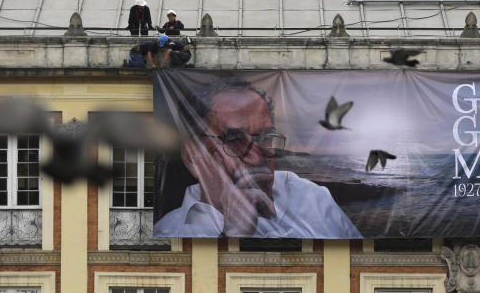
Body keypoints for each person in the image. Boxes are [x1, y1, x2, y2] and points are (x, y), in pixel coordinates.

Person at [153, 78, 362, 238]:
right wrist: (232, 237)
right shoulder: (172, 233)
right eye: (234, 140)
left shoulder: (310, 196)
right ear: (193, 158)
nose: (256, 158)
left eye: (265, 138)